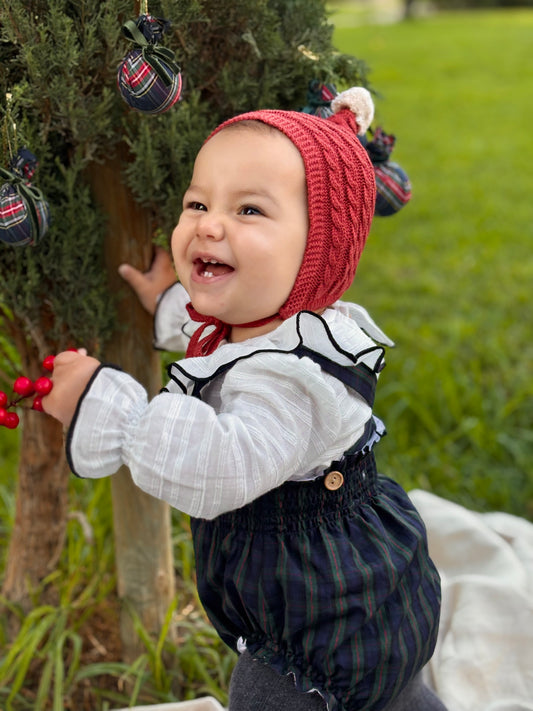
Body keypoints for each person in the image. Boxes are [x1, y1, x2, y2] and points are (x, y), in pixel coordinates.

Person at [43, 87, 446, 711]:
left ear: (318, 250)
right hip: (368, 591)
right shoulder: (291, 322)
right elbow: (229, 330)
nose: (209, 223)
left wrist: (109, 409)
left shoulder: (293, 385)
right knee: (395, 697)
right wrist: (171, 301)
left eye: (249, 211)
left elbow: (222, 466)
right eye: (198, 202)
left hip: (312, 627)